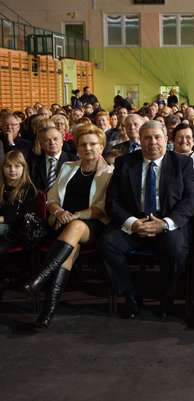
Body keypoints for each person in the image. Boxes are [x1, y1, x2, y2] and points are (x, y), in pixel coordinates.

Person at [101, 120, 194, 319]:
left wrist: (165, 223)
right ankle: (130, 295)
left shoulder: (182, 163)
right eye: (147, 138)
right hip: (135, 223)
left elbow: (191, 200)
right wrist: (133, 223)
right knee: (107, 243)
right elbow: (112, 201)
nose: (152, 142)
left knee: (176, 248)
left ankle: (167, 297)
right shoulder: (125, 162)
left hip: (167, 222)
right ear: (140, 140)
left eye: (157, 137)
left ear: (166, 139)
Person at [24, 124, 113, 328]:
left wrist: (76, 216)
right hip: (61, 222)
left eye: (93, 144)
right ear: (77, 148)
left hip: (92, 224)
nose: (88, 148)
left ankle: (40, 278)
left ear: (101, 147)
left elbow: (103, 208)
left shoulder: (109, 172)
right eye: (83, 144)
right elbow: (51, 199)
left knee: (76, 227)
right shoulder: (68, 167)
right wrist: (59, 212)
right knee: (69, 252)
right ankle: (47, 312)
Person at [0, 150, 38, 254]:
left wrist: (2, 219)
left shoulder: (28, 189)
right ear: (2, 168)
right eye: (8, 166)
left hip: (16, 230)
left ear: (23, 168)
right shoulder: (1, 186)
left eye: (17, 166)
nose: (12, 170)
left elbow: (23, 215)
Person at [29, 127, 77, 192]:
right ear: (41, 144)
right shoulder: (33, 162)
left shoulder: (74, 160)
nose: (52, 142)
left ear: (62, 142)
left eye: (55, 139)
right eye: (47, 140)